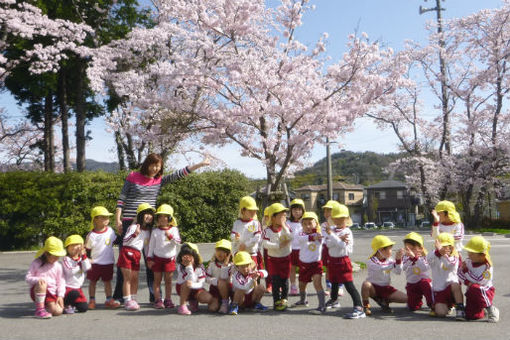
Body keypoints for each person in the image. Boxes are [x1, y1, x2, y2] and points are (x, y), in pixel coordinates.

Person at [113, 153, 210, 303]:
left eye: (158, 166)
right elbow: (122, 198)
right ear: (147, 164)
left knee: (151, 259)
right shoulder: (133, 176)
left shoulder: (158, 180)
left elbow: (179, 174)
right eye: (153, 165)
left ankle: (155, 296)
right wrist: (118, 219)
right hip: (129, 222)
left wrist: (200, 164)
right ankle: (120, 296)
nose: (155, 168)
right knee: (125, 261)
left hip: (149, 223)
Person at [324, 203, 365, 319]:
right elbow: (328, 244)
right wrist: (336, 238)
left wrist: (334, 237)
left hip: (343, 260)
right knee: (334, 282)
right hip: (332, 260)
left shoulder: (347, 231)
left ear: (347, 219)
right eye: (336, 218)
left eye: (342, 218)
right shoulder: (332, 230)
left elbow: (342, 245)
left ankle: (359, 307)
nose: (339, 220)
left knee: (349, 284)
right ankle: (334, 299)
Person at [117, 203, 155, 311]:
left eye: (151, 214)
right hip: (127, 252)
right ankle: (127, 301)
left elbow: (147, 247)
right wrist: (135, 234)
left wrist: (148, 258)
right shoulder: (134, 227)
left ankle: (133, 299)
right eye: (146, 213)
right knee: (128, 278)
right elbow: (124, 241)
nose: (149, 216)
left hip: (137, 254)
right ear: (140, 215)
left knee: (135, 278)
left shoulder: (148, 232)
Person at [361, 235, 407, 316]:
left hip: (386, 288)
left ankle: (384, 301)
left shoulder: (390, 259)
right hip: (374, 288)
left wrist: (399, 260)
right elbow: (381, 267)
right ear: (381, 250)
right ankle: (366, 306)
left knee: (407, 299)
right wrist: (396, 261)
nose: (391, 251)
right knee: (366, 285)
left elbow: (398, 271)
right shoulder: (371, 261)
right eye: (390, 249)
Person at [146, 204, 181, 309]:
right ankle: (158, 300)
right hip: (157, 259)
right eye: (159, 216)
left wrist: (170, 236)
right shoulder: (155, 231)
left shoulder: (174, 230)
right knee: (157, 280)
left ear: (170, 218)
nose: (162, 219)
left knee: (168, 281)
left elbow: (178, 242)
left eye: (164, 216)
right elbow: (151, 246)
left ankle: (168, 299)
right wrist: (149, 258)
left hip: (169, 259)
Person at [85, 206, 120, 309]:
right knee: (92, 282)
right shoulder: (91, 235)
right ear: (95, 219)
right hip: (95, 263)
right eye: (103, 217)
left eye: (107, 217)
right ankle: (92, 300)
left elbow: (115, 241)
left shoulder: (110, 230)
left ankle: (109, 300)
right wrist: (87, 259)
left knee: (107, 282)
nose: (107, 219)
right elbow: (87, 249)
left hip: (108, 262)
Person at [459, 236, 499, 322]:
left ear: (482, 255)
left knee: (475, 288)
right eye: (468, 252)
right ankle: (481, 308)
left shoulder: (487, 267)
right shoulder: (468, 261)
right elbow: (459, 273)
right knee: (472, 316)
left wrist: (466, 272)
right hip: (471, 292)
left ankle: (491, 309)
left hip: (485, 291)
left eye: (472, 253)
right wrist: (467, 281)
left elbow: (479, 281)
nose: (469, 254)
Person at [25, 236, 67, 319]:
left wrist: (60, 296)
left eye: (58, 256)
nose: (57, 258)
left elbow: (61, 281)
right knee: (42, 284)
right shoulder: (36, 263)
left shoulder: (58, 266)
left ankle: (46, 307)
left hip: (52, 293)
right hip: (38, 290)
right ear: (47, 254)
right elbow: (28, 277)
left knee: (58, 311)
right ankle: (39, 310)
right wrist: (38, 280)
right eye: (54, 256)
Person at [261, 203, 292, 311]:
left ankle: (284, 300)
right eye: (281, 215)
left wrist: (284, 227)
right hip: (273, 259)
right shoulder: (267, 230)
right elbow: (265, 244)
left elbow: (291, 237)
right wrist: (278, 246)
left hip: (285, 258)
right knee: (275, 281)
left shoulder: (286, 227)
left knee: (284, 281)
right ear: (273, 217)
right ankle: (276, 301)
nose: (284, 217)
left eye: (285, 215)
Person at [294, 211, 326, 314]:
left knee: (317, 283)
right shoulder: (300, 234)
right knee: (301, 284)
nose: (307, 226)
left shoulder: (319, 233)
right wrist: (312, 237)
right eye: (305, 223)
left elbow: (324, 239)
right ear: (301, 225)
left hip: (316, 264)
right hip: (304, 264)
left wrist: (319, 235)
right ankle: (303, 300)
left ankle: (322, 306)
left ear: (316, 223)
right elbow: (302, 239)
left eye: (310, 223)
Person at [427, 232, 465, 319]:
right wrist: (438, 252)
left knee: (456, 285)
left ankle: (460, 308)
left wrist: (443, 255)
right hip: (439, 290)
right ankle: (448, 306)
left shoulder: (455, 256)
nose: (444, 249)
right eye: (442, 246)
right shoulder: (433, 254)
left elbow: (449, 264)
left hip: (450, 288)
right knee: (441, 313)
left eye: (447, 246)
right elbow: (428, 260)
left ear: (452, 247)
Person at [394, 232, 433, 311]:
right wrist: (398, 260)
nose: (409, 251)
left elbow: (425, 268)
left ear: (420, 248)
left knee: (425, 283)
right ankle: (416, 302)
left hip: (424, 283)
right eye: (407, 249)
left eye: (412, 249)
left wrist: (415, 258)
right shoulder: (405, 257)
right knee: (413, 307)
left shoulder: (425, 257)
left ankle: (432, 304)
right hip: (412, 283)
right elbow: (400, 270)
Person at [175, 243, 217, 315]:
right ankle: (182, 306)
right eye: (184, 255)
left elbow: (201, 283)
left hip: (196, 288)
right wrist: (189, 267)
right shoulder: (180, 267)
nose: (187, 258)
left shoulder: (200, 267)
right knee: (187, 283)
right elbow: (189, 280)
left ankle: (193, 300)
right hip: (183, 288)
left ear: (195, 256)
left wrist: (193, 285)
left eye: (189, 256)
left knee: (208, 299)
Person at [62, 235, 91, 314]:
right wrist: (79, 263)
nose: (75, 247)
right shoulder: (66, 259)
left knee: (83, 308)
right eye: (72, 245)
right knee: (74, 293)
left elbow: (87, 267)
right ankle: (65, 304)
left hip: (78, 287)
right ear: (67, 248)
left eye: (78, 245)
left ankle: (72, 304)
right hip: (68, 287)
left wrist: (84, 256)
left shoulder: (82, 258)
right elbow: (71, 271)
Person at [230, 196, 262, 268]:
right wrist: (235, 237)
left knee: (252, 274)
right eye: (250, 210)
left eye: (254, 210)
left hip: (251, 253)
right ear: (242, 211)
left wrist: (246, 245)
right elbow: (232, 235)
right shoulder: (237, 223)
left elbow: (257, 237)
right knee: (238, 274)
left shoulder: (256, 223)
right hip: (239, 254)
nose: (253, 212)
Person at [321, 200, 343, 297]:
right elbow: (325, 237)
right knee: (329, 268)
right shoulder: (324, 225)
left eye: (329, 211)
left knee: (339, 268)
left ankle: (340, 287)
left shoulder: (339, 225)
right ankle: (328, 287)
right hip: (327, 248)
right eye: (325, 211)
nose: (326, 214)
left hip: (338, 249)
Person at [206, 239, 233, 314]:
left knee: (222, 282)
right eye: (218, 251)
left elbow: (224, 277)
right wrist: (214, 281)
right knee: (212, 308)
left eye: (224, 251)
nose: (220, 254)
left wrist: (225, 265)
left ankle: (225, 302)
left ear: (228, 254)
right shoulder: (212, 264)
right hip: (215, 289)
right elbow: (206, 278)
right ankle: (219, 301)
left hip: (228, 288)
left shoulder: (231, 265)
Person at [287, 198, 305, 296]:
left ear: (303, 211)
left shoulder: (305, 222)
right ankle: (293, 285)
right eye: (294, 210)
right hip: (291, 249)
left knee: (302, 269)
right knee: (292, 268)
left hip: (302, 250)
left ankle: (302, 285)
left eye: (299, 210)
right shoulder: (288, 223)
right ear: (291, 211)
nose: (297, 212)